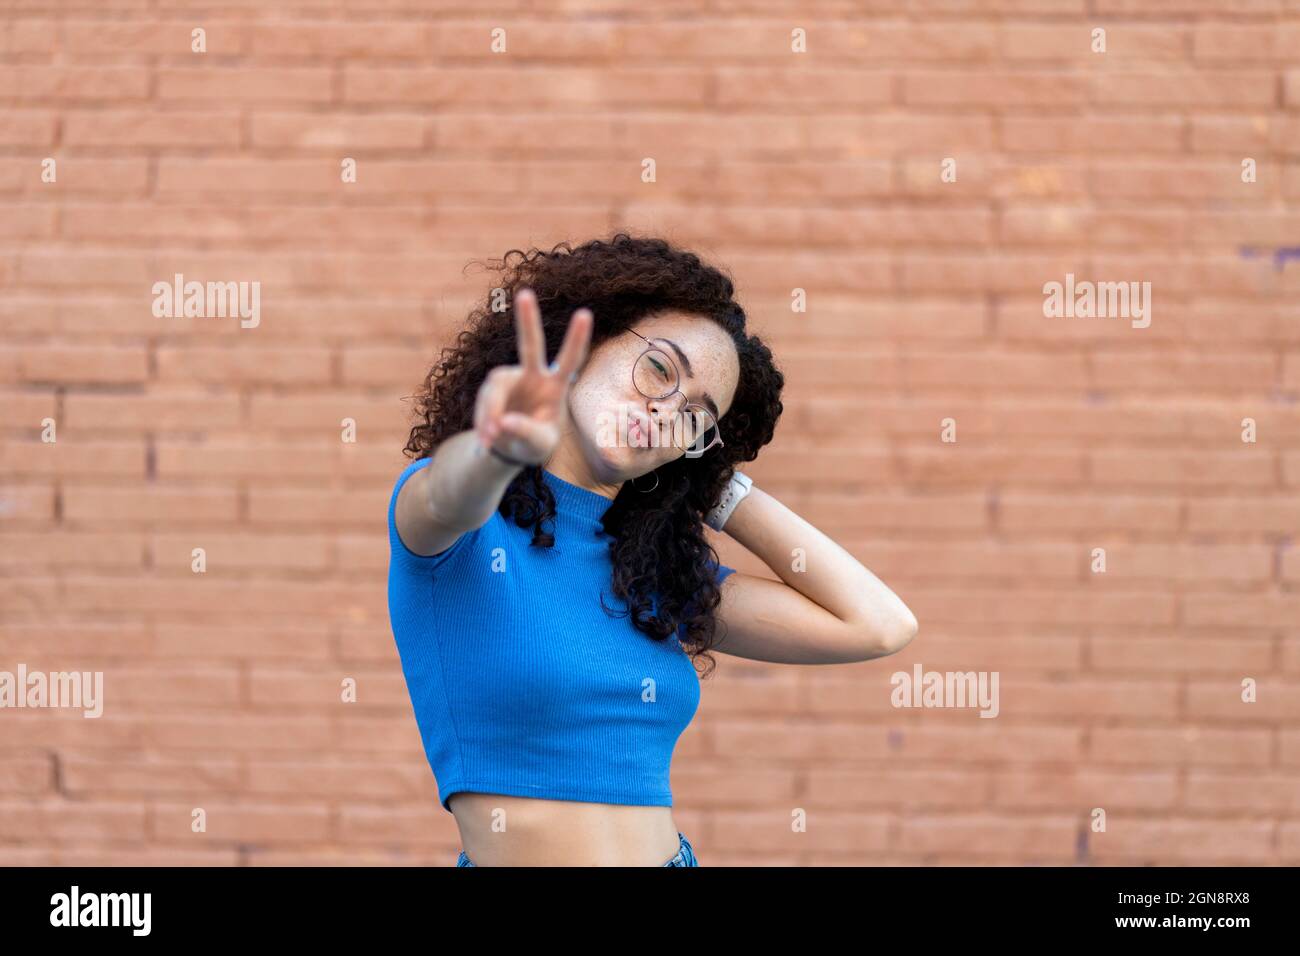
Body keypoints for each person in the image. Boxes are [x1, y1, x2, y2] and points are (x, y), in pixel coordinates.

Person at [387, 234, 918, 866]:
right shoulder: (463, 530)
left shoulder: (653, 577)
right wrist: (496, 449)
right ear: (586, 341)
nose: (666, 411)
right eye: (661, 369)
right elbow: (447, 497)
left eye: (696, 417)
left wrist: (713, 483)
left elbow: (878, 625)